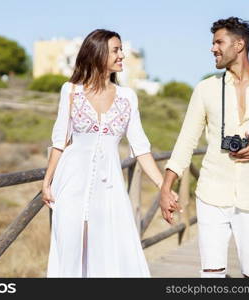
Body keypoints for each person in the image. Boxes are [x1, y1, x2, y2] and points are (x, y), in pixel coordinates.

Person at [160, 17, 249, 278]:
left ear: (239, 44)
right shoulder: (204, 89)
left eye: (218, 42)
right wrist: (167, 188)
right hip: (211, 195)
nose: (213, 48)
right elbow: (186, 141)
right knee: (211, 274)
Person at [42, 29, 179, 277]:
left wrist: (164, 187)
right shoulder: (71, 91)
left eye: (120, 50)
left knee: (108, 251)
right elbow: (60, 139)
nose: (122, 55)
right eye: (116, 50)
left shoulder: (128, 97)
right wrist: (47, 181)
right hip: (70, 183)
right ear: (98, 53)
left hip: (109, 188)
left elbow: (141, 148)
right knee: (70, 249)